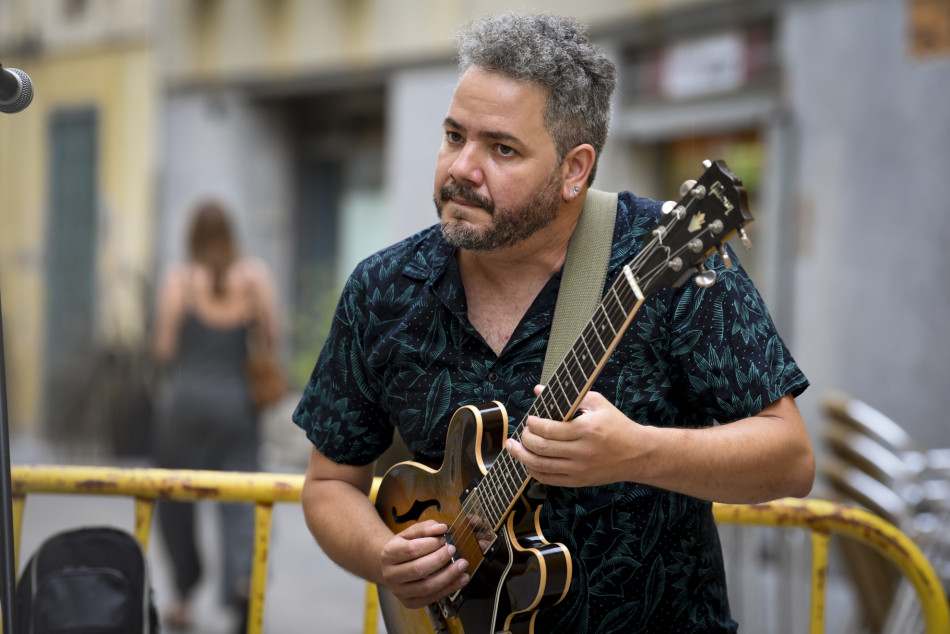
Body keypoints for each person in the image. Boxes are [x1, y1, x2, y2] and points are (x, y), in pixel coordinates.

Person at [292, 12, 814, 633]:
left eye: (502, 148)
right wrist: (384, 557)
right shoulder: (383, 290)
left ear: (574, 169)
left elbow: (790, 458)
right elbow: (329, 484)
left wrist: (640, 452)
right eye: (455, 136)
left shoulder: (670, 257)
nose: (462, 168)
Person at [151, 200, 280, 631]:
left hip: (185, 405)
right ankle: (243, 582)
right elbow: (272, 338)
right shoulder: (254, 277)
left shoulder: (179, 280)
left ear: (191, 236)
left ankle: (184, 598)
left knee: (175, 499)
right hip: (237, 407)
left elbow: (164, 350)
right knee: (242, 498)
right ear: (230, 234)